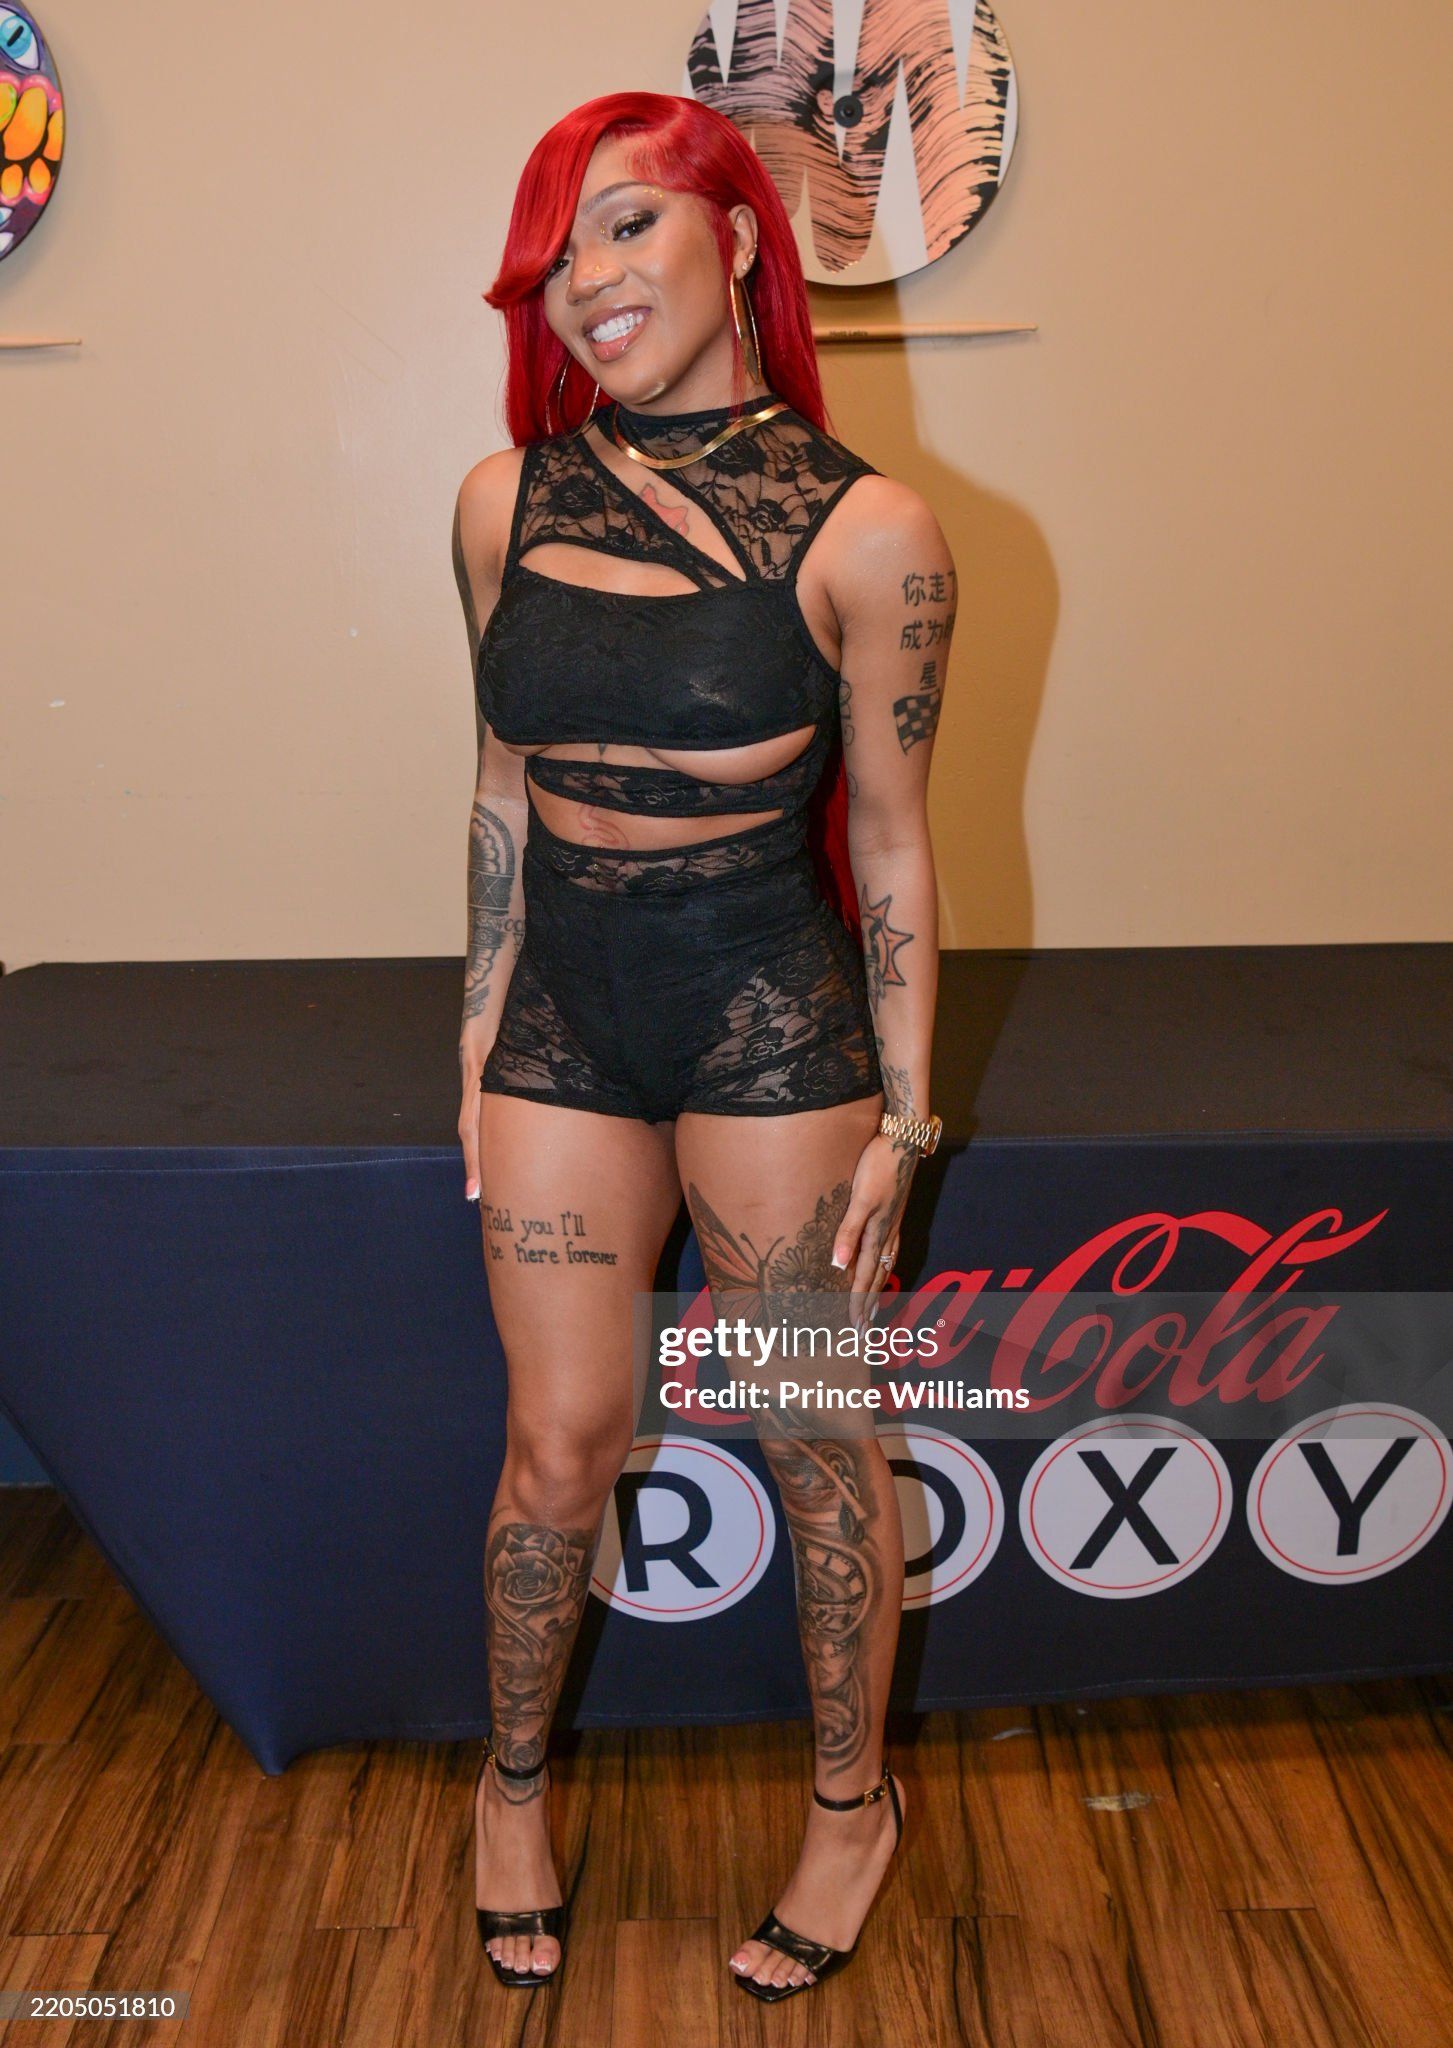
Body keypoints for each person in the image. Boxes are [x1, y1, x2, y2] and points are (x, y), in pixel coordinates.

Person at [451, 90, 954, 2002]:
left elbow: (891, 841)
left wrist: (905, 1118)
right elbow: (498, 794)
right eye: (556, 252)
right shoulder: (498, 503)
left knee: (811, 1434)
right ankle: (509, 1792)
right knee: (557, 1442)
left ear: (736, 241)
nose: (586, 280)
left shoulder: (872, 533)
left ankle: (849, 1813)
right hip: (566, 1018)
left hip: (769, 1019)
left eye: (628, 225)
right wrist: (474, 1044)